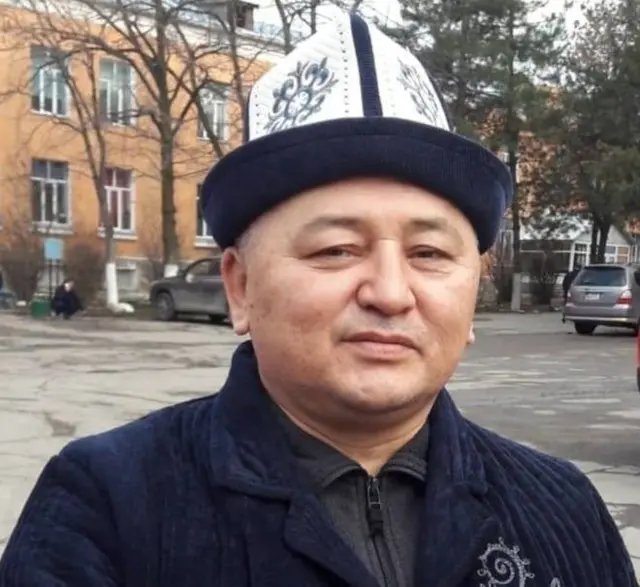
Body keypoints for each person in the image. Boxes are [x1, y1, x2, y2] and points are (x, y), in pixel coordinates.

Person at [0, 13, 636, 587]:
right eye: (335, 249)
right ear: (240, 287)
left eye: (429, 254)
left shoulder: (560, 509)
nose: (390, 293)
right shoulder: (108, 510)